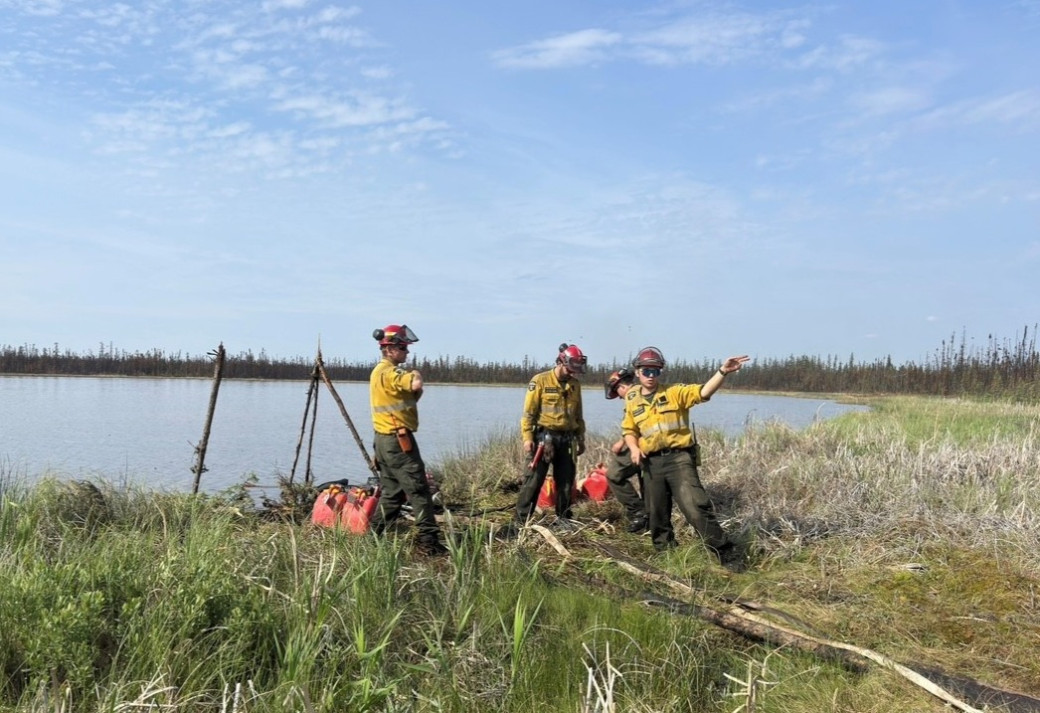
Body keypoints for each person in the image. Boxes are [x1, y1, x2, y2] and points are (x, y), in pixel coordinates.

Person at [621, 346, 750, 565]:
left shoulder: (673, 392)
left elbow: (703, 392)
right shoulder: (632, 397)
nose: (651, 376)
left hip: (679, 459)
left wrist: (722, 372)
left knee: (695, 507)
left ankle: (726, 553)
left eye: (656, 371)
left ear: (661, 372)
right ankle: (666, 554)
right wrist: (633, 448)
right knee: (656, 512)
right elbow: (629, 430)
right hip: (651, 463)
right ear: (637, 371)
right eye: (646, 371)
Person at [368, 324, 447, 556]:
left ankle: (373, 536)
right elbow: (415, 384)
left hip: (383, 442)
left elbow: (410, 396)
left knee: (392, 492)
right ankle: (428, 543)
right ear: (390, 348)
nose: (407, 352)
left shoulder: (377, 373)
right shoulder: (391, 373)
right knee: (419, 491)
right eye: (403, 347)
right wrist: (416, 373)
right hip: (398, 441)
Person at [515, 343, 588, 529]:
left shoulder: (575, 385)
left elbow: (578, 415)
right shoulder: (540, 381)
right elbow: (528, 414)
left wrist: (580, 438)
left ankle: (563, 518)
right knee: (533, 480)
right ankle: (520, 521)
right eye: (572, 368)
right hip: (543, 439)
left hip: (568, 439)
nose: (574, 372)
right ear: (562, 362)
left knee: (565, 481)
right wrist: (527, 438)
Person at [604, 367, 648, 533]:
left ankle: (638, 511)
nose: (619, 397)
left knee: (614, 474)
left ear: (621, 387)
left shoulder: (632, 395)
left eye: (618, 392)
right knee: (647, 483)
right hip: (645, 444)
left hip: (642, 446)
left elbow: (638, 423)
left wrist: (623, 444)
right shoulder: (642, 392)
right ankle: (649, 517)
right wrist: (622, 441)